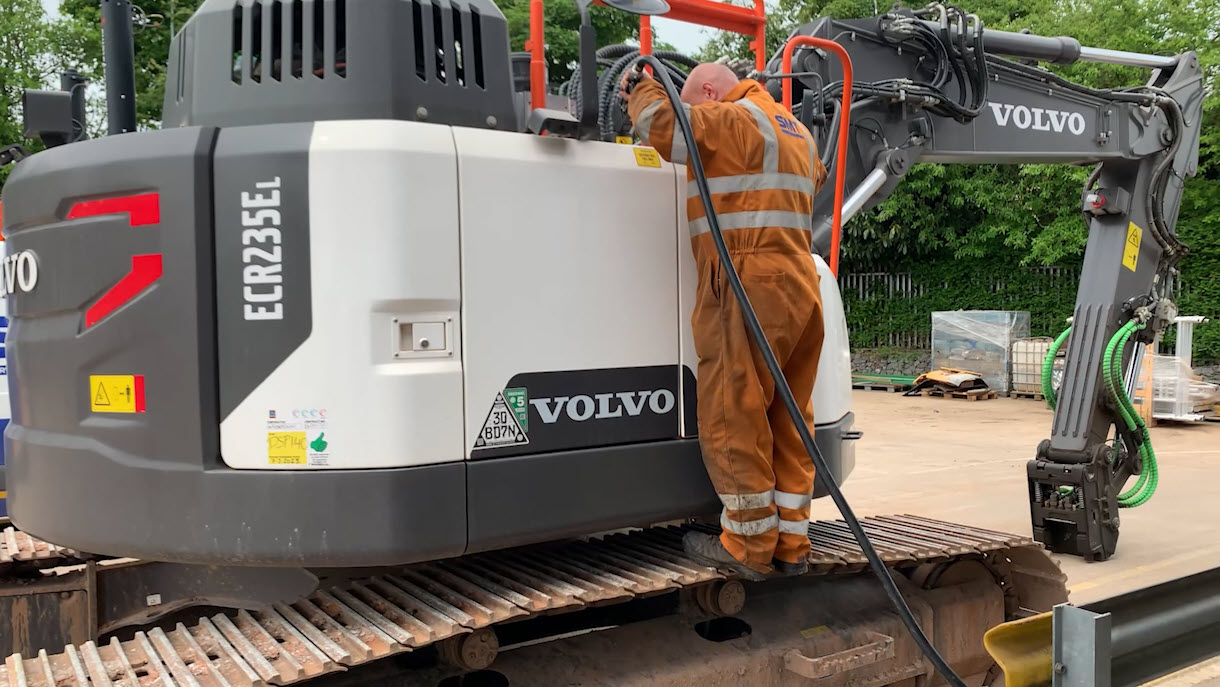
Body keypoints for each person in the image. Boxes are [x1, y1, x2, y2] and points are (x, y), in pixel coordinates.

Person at [621, 63, 827, 580]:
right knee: (789, 415)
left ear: (711, 93)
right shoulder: (794, 129)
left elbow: (661, 122)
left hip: (745, 279)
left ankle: (748, 546)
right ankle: (791, 544)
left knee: (733, 408)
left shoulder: (733, 120)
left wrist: (639, 85)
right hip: (801, 283)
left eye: (698, 100)